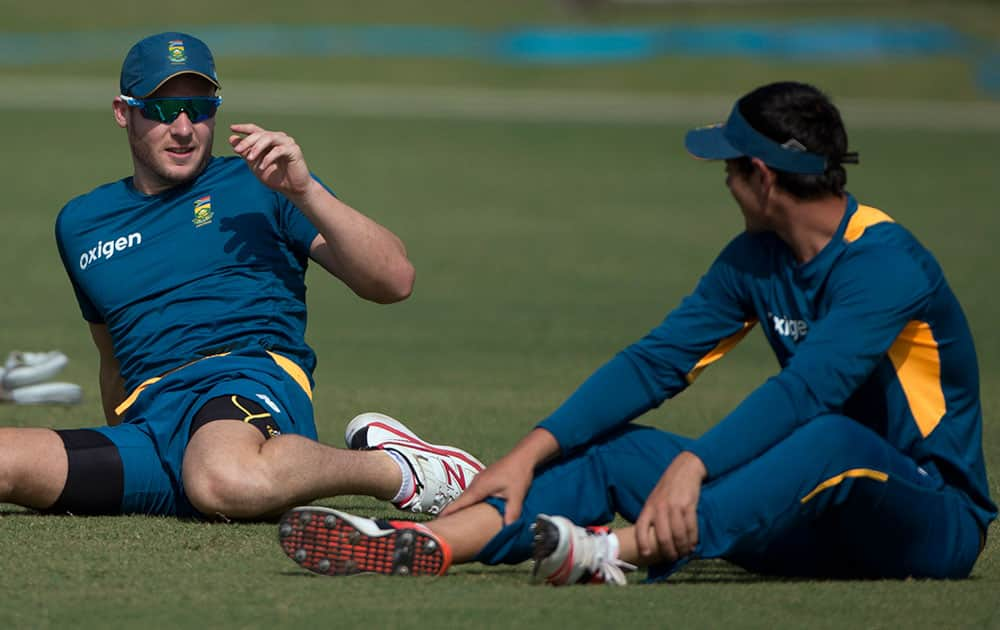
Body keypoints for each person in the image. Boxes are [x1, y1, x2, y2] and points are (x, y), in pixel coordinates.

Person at [277, 81, 995, 583]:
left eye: (728, 166)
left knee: (831, 439)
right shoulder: (756, 260)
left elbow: (812, 391)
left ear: (762, 177)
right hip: (800, 520)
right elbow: (656, 364)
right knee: (609, 453)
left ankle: (610, 552)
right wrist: (528, 452)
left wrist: (693, 465)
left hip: (928, 519)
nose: (721, 181)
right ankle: (424, 544)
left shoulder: (887, 264)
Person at [0, 31, 484, 520]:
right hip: (153, 428)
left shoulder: (262, 183)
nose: (184, 127)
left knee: (223, 476)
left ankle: (400, 469)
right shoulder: (81, 224)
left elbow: (394, 280)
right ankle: (209, 473)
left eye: (200, 108)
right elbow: (113, 361)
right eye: (163, 110)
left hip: (246, 382)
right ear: (124, 111)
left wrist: (305, 193)